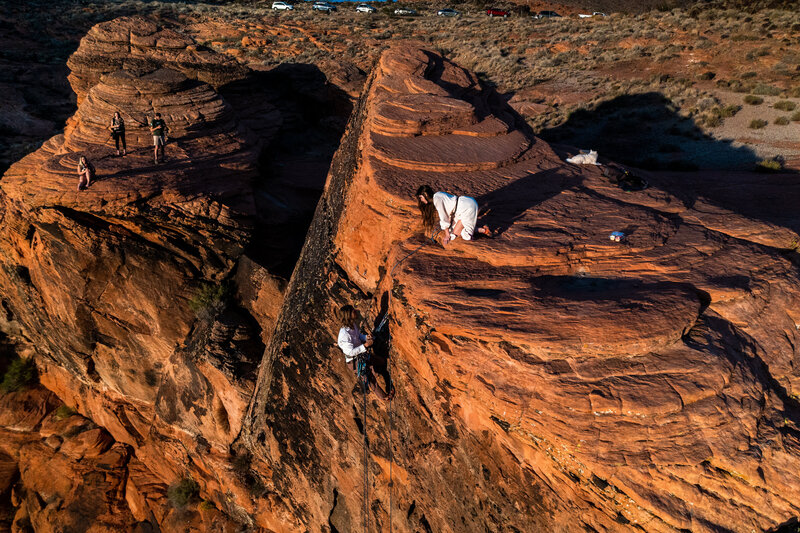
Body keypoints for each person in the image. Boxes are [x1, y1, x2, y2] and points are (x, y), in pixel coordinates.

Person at [336, 305, 393, 401]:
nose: (356, 311)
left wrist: (366, 337)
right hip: (354, 361)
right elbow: (350, 351)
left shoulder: (352, 325)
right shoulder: (344, 334)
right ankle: (384, 397)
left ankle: (379, 373)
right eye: (353, 311)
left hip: (361, 355)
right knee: (369, 378)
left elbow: (359, 336)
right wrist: (365, 345)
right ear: (348, 315)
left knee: (381, 361)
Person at [416, 185, 493, 246]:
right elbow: (447, 213)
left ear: (425, 194)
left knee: (462, 236)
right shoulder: (437, 196)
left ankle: (481, 227)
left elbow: (444, 217)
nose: (421, 200)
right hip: (461, 207)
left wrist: (447, 235)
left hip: (466, 207)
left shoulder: (437, 199)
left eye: (420, 197)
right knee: (452, 231)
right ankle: (483, 229)